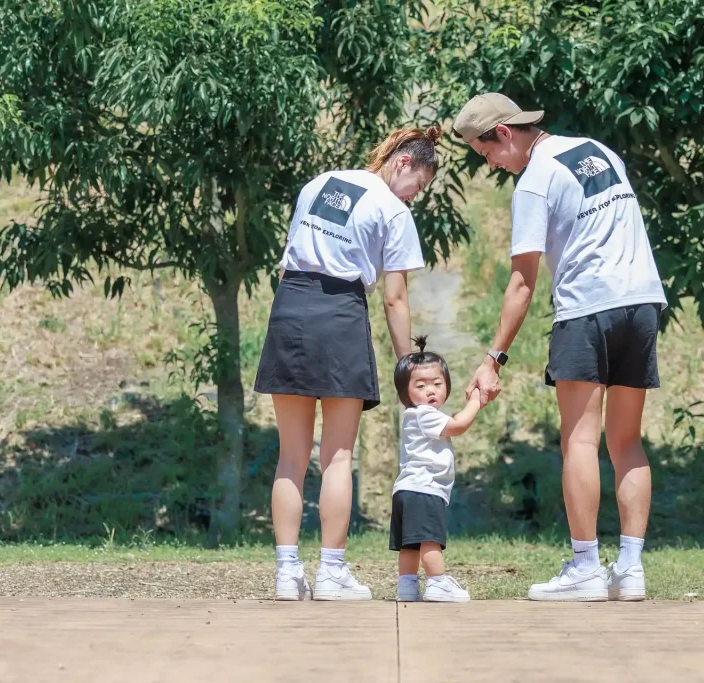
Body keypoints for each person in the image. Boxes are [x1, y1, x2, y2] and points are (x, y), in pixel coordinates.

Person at [453, 93, 667, 602]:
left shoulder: (534, 182)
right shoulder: (596, 149)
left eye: (485, 154)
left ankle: (586, 567)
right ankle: (630, 570)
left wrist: (493, 359)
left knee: (580, 440)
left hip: (587, 308)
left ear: (504, 133)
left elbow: (522, 283)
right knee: (627, 440)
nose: (490, 165)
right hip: (641, 303)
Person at [254, 126, 442, 601]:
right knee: (337, 455)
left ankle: (287, 572)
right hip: (340, 313)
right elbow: (395, 299)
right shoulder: (392, 210)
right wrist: (409, 368)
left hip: (290, 308)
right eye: (418, 185)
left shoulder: (318, 184)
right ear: (402, 163)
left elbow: (285, 264)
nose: (415, 197)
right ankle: (331, 573)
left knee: (291, 456)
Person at [390, 336, 481, 603]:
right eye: (421, 385)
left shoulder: (413, 416)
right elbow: (459, 425)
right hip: (424, 487)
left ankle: (407, 585)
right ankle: (437, 582)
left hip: (406, 488)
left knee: (410, 543)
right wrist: (476, 401)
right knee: (430, 540)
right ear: (406, 393)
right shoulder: (424, 414)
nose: (431, 391)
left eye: (437, 384)